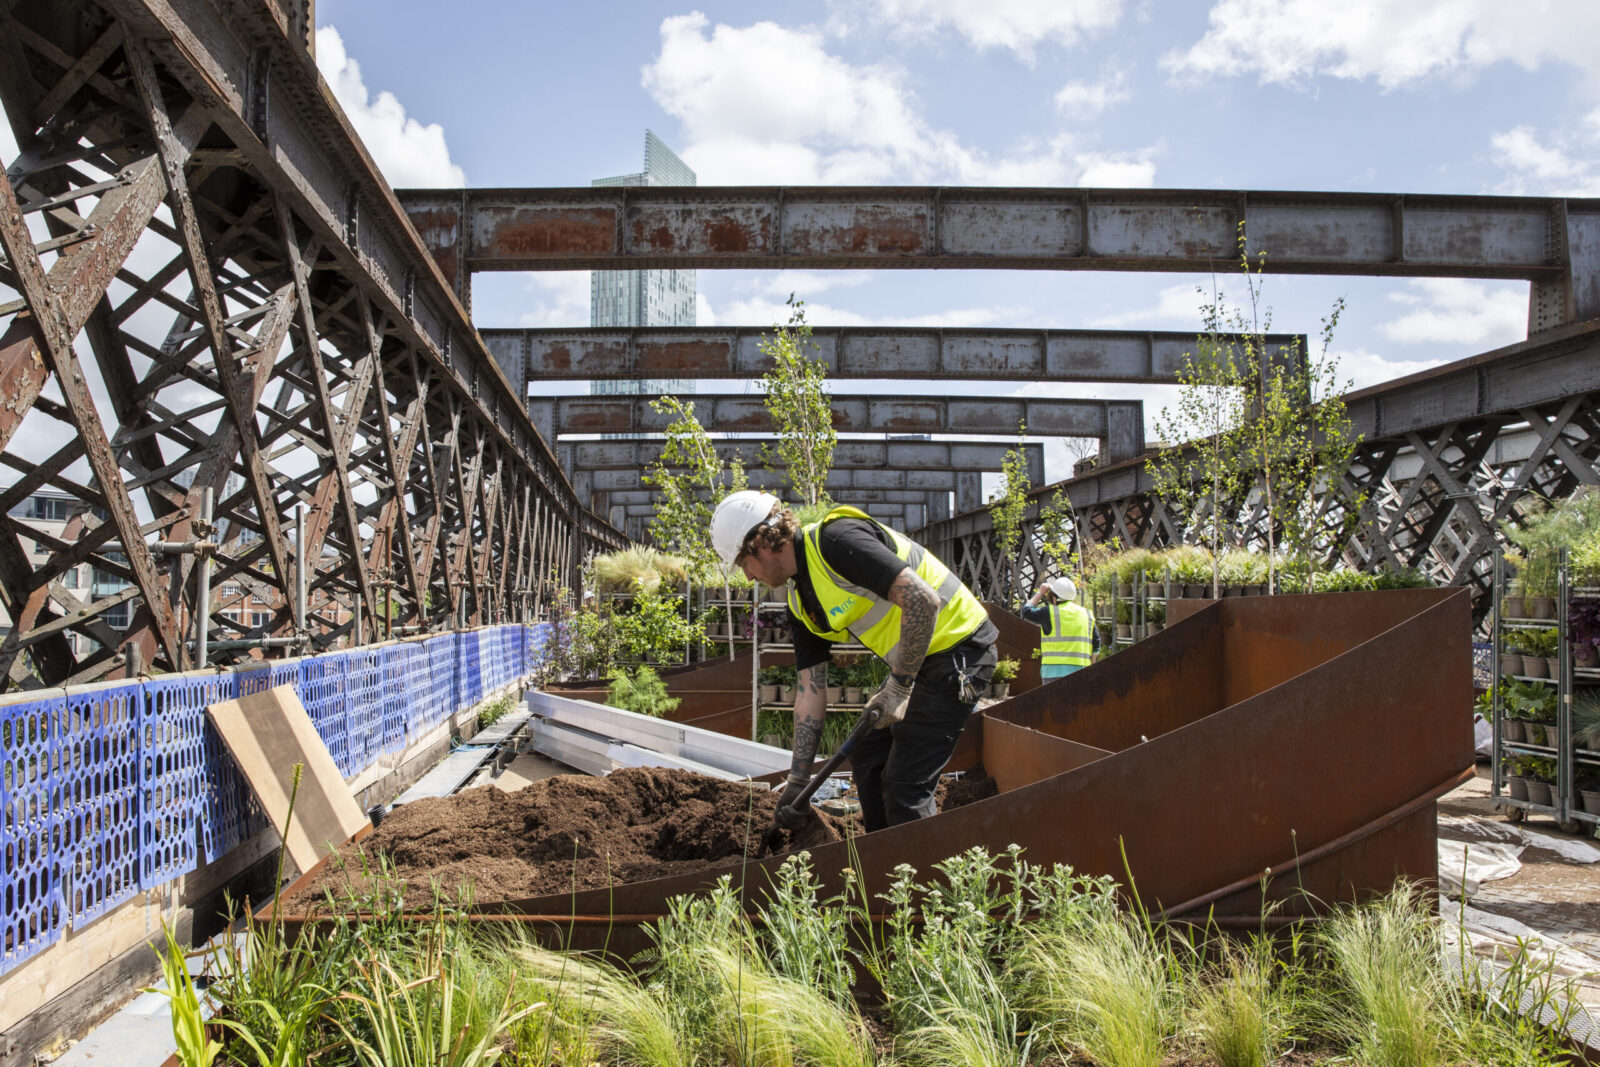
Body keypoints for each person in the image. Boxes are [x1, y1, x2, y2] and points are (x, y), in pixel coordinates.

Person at [710, 490, 997, 833]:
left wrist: (897, 688)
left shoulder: (836, 541)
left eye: (743, 564)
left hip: (960, 650)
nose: (748, 577)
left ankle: (924, 879)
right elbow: (808, 692)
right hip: (923, 663)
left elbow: (923, 600)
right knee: (871, 761)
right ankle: (885, 863)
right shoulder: (802, 603)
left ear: (760, 542)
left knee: (905, 783)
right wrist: (799, 780)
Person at [1021, 576, 1096, 679]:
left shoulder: (1050, 612)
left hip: (1053, 672)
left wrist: (1040, 592)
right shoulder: (1087, 614)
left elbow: (1027, 611)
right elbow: (1096, 643)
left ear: (1054, 598)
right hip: (1081, 671)